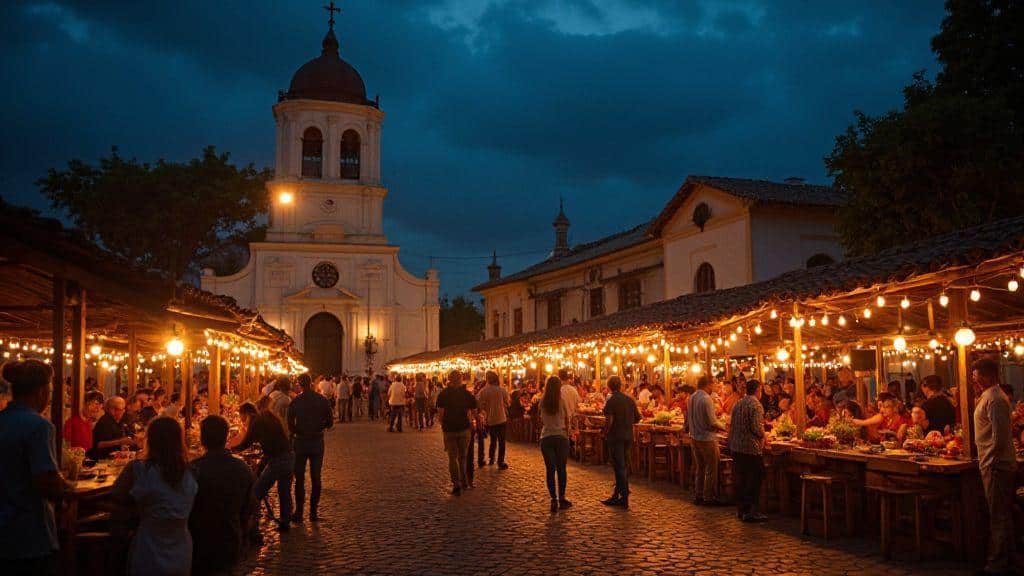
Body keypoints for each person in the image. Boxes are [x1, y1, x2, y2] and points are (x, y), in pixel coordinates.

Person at [0, 360, 66, 576]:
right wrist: (67, 488)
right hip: (29, 534)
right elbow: (45, 481)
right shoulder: (38, 426)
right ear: (41, 392)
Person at [111, 417, 198, 576]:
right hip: (181, 547)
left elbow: (116, 495)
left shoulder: (137, 469)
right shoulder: (191, 471)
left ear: (150, 440)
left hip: (149, 545)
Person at [189, 415, 255, 576]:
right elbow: (249, 511)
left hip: (198, 541)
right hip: (229, 538)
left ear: (202, 439)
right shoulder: (243, 469)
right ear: (226, 437)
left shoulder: (193, 470)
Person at [972, 356, 1017, 575]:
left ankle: (998, 563)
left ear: (988, 375)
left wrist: (989, 462)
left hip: (996, 465)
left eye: (976, 374)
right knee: (1000, 514)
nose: (974, 378)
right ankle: (1007, 558)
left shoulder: (996, 399)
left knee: (998, 515)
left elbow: (999, 438)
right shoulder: (987, 396)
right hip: (991, 463)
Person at [234, 399, 294, 532]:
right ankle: (285, 522)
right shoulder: (267, 417)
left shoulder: (256, 421)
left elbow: (246, 442)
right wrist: (260, 467)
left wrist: (230, 450)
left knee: (257, 492)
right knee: (284, 491)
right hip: (288, 456)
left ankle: (250, 525)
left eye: (241, 416)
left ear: (245, 413)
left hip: (278, 460)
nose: (242, 419)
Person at [287, 373, 333, 523]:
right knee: (316, 478)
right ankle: (313, 512)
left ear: (300, 385)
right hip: (317, 442)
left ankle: (299, 512)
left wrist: (299, 431)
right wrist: (319, 427)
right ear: (312, 383)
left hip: (300, 442)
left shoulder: (295, 402)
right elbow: (330, 422)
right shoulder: (323, 400)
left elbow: (290, 424)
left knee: (299, 478)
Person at [728, 380, 767, 522]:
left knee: (741, 479)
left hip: (736, 447)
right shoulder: (756, 404)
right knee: (755, 479)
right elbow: (756, 427)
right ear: (758, 390)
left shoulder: (738, 403)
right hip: (750, 448)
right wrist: (764, 435)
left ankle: (742, 509)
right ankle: (752, 511)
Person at [686, 375, 726, 506]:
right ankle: (709, 497)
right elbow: (712, 421)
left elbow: (688, 419)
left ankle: (698, 495)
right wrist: (725, 427)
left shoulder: (691, 397)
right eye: (713, 384)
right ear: (708, 384)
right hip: (707, 438)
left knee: (700, 467)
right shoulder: (706, 399)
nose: (714, 387)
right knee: (711, 468)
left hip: (694, 437)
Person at [602, 376, 641, 509]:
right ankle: (617, 494)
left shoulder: (611, 401)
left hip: (616, 436)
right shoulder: (629, 400)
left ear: (609, 386)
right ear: (621, 386)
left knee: (619, 466)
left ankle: (623, 497)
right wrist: (627, 423)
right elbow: (637, 418)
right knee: (623, 465)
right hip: (628, 436)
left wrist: (606, 432)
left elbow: (609, 420)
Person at [435, 371, 477, 495]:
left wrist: (443, 425)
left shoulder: (443, 394)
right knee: (463, 457)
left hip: (449, 429)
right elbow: (474, 411)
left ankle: (456, 483)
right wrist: (472, 422)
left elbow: (441, 413)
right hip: (464, 429)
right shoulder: (467, 394)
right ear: (461, 379)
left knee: (452, 458)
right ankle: (464, 481)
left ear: (449, 379)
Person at [539, 375, 572, 512]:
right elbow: (567, 420)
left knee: (550, 469)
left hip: (546, 437)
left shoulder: (543, 401)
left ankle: (553, 499)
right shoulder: (561, 401)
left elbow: (541, 420)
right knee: (561, 469)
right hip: (561, 437)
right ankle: (562, 498)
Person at [477, 371, 510, 469]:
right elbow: (508, 403)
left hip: (490, 419)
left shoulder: (483, 391)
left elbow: (479, 405)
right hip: (501, 418)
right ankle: (500, 461)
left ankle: (491, 459)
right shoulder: (502, 390)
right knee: (502, 441)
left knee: (493, 440)